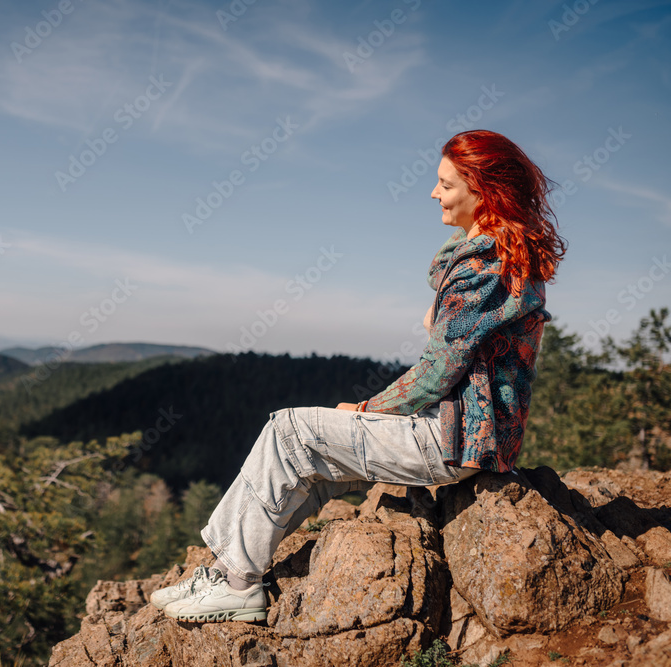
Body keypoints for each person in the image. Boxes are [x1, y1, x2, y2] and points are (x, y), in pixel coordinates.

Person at [149, 129, 568, 623]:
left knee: (289, 430)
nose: (434, 193)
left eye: (446, 184)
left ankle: (238, 585)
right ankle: (225, 572)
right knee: (312, 460)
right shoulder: (493, 256)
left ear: (483, 190)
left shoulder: (484, 266)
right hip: (468, 434)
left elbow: (437, 374)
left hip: (454, 439)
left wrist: (368, 409)